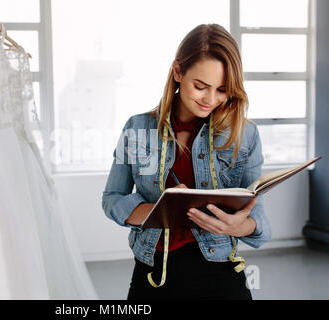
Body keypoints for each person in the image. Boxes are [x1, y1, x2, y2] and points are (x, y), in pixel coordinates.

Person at [102, 24, 271, 300]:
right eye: (200, 86)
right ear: (178, 72)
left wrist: (236, 226)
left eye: (222, 90)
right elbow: (111, 200)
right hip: (153, 274)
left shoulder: (246, 134)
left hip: (221, 274)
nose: (211, 99)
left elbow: (260, 223)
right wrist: (161, 209)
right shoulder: (137, 128)